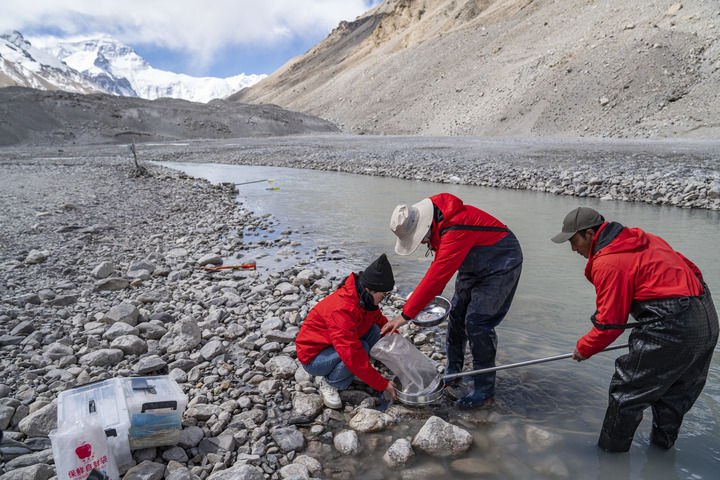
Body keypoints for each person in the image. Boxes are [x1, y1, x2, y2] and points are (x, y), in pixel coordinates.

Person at [551, 206, 718, 452]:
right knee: (673, 397)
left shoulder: (608, 261)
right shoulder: (645, 238)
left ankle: (609, 460)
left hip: (673, 326)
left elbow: (610, 324)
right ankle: (661, 453)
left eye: (573, 241)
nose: (573, 248)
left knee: (626, 396)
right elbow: (692, 270)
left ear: (589, 234)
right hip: (706, 317)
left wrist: (584, 348)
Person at [382, 193, 523, 408]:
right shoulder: (438, 221)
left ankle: (484, 390)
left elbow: (437, 276)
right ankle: (453, 371)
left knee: (477, 323)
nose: (422, 242)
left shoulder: (456, 228)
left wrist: (405, 315)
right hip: (473, 263)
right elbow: (438, 269)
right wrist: (414, 307)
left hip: (502, 262)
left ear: (423, 226)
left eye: (420, 238)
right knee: (457, 314)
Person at [295, 254, 398, 409]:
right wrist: (382, 384)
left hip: (333, 343)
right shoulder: (341, 309)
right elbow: (352, 355)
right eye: (383, 296)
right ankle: (330, 384)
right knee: (361, 348)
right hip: (314, 357)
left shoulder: (364, 298)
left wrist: (400, 349)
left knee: (375, 330)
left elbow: (380, 321)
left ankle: (363, 370)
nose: (384, 299)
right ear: (369, 290)